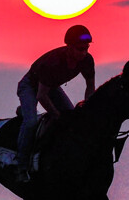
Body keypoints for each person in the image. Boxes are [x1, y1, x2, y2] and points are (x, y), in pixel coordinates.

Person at [14, 24, 95, 181]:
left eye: (87, 48)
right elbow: (41, 95)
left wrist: (88, 110)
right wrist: (56, 114)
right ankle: (21, 166)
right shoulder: (53, 62)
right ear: (69, 47)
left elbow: (90, 87)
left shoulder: (87, 60)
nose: (84, 53)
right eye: (80, 49)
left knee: (72, 117)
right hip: (30, 86)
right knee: (31, 122)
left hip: (51, 87)